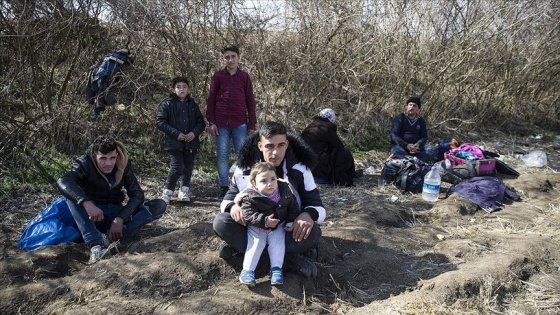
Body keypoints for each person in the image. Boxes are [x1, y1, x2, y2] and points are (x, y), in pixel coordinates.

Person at [213, 121, 326, 278]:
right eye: (269, 146)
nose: (275, 153)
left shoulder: (300, 169)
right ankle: (285, 260)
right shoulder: (244, 169)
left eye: (280, 145)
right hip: (254, 228)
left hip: (286, 230)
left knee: (313, 231)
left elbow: (318, 207)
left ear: (287, 144)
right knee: (221, 222)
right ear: (260, 145)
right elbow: (227, 200)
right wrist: (233, 207)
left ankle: (253, 255)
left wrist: (308, 215)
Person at [56, 136, 167, 264]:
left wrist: (121, 218)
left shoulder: (123, 162)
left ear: (117, 155)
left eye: (112, 158)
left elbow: (137, 194)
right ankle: (96, 245)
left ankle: (108, 237)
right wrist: (86, 203)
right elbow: (63, 181)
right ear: (94, 155)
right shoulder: (84, 163)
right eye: (103, 158)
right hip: (91, 216)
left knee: (159, 205)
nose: (108, 163)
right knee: (73, 197)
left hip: (115, 213)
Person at [235, 162, 300, 286]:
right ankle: (248, 271)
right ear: (254, 183)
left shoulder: (284, 191)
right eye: (264, 181)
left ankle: (276, 269)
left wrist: (291, 221)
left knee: (278, 245)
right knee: (255, 245)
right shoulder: (250, 196)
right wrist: (264, 221)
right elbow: (248, 214)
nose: (270, 184)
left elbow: (293, 207)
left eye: (272, 179)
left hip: (278, 226)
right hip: (257, 228)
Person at [206, 44, 257, 198]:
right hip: (221, 124)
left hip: (240, 123)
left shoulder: (244, 77)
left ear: (239, 58)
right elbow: (211, 100)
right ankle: (223, 186)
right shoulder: (218, 77)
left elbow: (250, 101)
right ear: (223, 59)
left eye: (233, 56)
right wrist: (212, 122)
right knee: (222, 156)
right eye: (227, 57)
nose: (230, 59)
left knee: (243, 155)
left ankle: (243, 185)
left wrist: (252, 124)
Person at [156, 76, 206, 204]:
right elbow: (160, 122)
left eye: (184, 87)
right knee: (177, 167)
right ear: (173, 90)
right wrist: (175, 133)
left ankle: (184, 190)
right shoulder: (167, 104)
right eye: (178, 87)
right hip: (174, 143)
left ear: (188, 90)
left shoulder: (193, 105)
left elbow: (201, 122)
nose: (181, 89)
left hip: (191, 142)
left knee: (188, 167)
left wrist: (194, 133)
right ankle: (167, 192)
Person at [301, 108, 361, 186]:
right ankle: (346, 175)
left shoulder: (311, 126)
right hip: (317, 165)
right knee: (345, 154)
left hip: (305, 165)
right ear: (331, 118)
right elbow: (339, 146)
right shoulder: (327, 127)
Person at [85, 49, 135, 117]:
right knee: (101, 95)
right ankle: (96, 115)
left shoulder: (112, 54)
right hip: (105, 74)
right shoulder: (121, 58)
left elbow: (100, 63)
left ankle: (96, 114)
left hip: (99, 72)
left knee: (98, 93)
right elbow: (117, 72)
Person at [390, 96, 437, 162]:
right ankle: (414, 160)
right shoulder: (399, 118)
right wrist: (406, 145)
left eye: (414, 106)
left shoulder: (421, 121)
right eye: (410, 105)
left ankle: (410, 160)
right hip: (402, 148)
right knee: (395, 150)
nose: (411, 107)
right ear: (406, 107)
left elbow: (424, 136)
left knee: (433, 149)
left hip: (416, 150)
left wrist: (418, 144)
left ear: (418, 109)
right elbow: (394, 135)